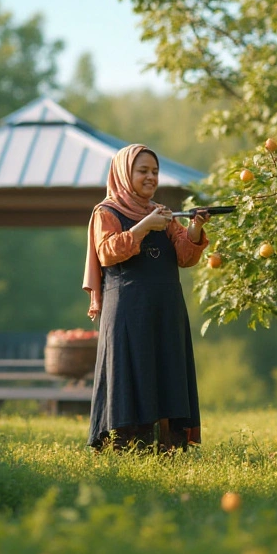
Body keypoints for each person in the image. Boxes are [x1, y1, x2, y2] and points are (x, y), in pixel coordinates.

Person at [82, 144, 210, 452]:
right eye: (143, 171)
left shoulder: (164, 214)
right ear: (125, 173)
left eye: (154, 171)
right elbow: (108, 252)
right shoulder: (106, 212)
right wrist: (143, 227)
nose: (151, 177)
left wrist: (194, 228)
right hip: (127, 310)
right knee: (131, 372)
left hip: (166, 310)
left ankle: (166, 447)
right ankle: (126, 446)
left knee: (167, 370)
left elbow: (185, 256)